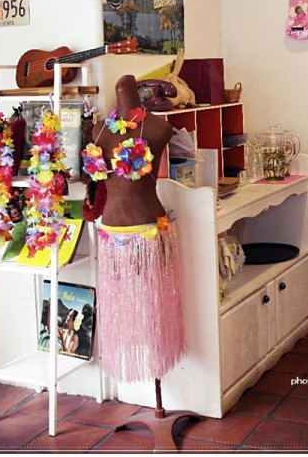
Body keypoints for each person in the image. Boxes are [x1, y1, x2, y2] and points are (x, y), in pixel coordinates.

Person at [83, 74, 185, 384]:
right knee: (125, 307)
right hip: (111, 233)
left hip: (148, 230)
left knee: (154, 302)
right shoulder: (99, 130)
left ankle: (159, 371)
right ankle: (141, 374)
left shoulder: (157, 127)